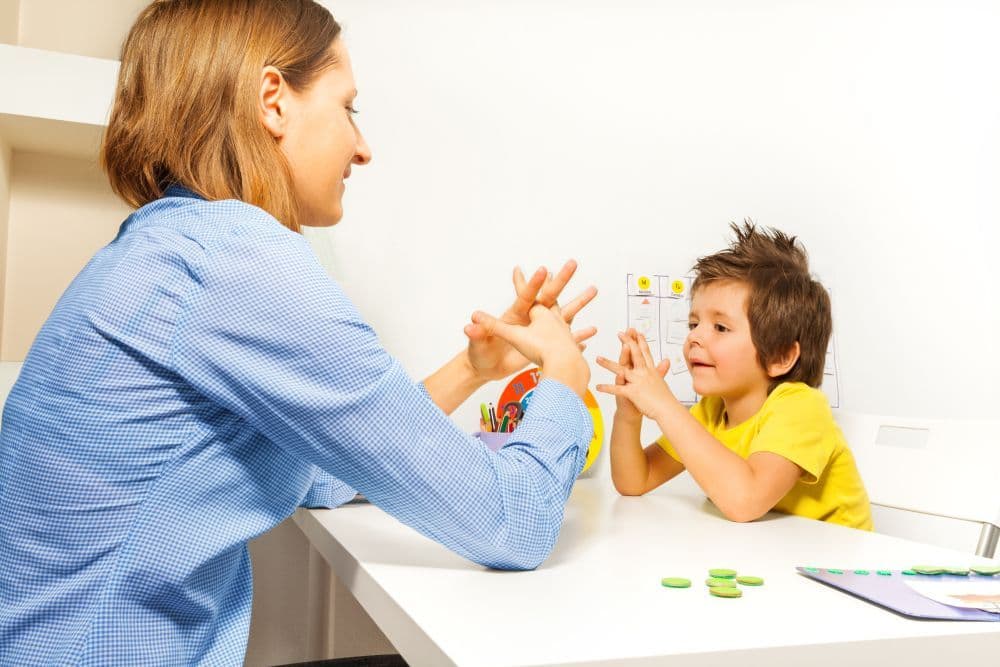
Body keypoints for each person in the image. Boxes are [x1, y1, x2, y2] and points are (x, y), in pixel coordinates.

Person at [0, 1, 598, 664]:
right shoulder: (237, 263)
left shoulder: (170, 248)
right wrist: (566, 382)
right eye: (350, 108)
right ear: (273, 101)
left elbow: (319, 472)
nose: (363, 147)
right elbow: (512, 520)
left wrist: (471, 367)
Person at [597, 222, 872, 530]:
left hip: (837, 567)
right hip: (767, 558)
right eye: (693, 324)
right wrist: (628, 416)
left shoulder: (801, 408)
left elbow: (745, 501)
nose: (694, 338)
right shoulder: (711, 412)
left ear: (780, 357)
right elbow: (635, 480)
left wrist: (665, 407)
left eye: (720, 327)